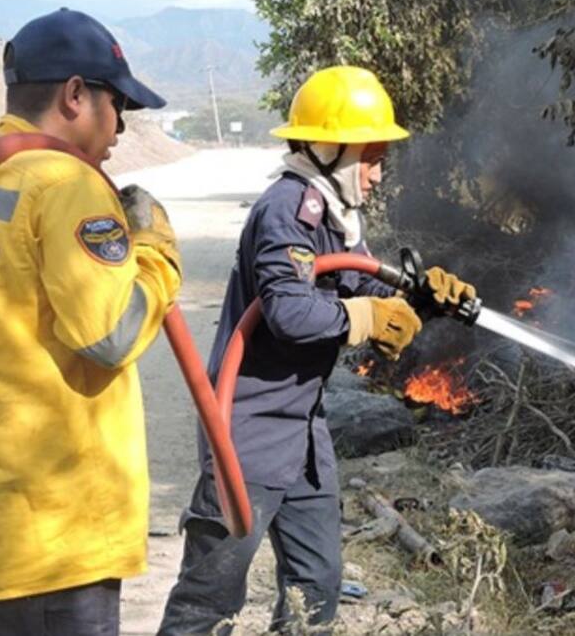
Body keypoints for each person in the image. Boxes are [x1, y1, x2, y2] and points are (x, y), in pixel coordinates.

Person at [158, 66, 477, 635]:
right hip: (248, 431)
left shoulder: (336, 216)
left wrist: (424, 299)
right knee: (209, 600)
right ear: (330, 150)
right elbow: (289, 312)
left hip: (304, 434)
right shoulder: (287, 210)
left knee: (318, 586)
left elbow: (362, 287)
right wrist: (367, 316)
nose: (377, 174)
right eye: (371, 157)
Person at [0, 8, 181, 636]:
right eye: (118, 104)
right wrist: (155, 254)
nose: (122, 126)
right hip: (51, 543)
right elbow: (111, 335)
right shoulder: (66, 184)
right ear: (76, 95)